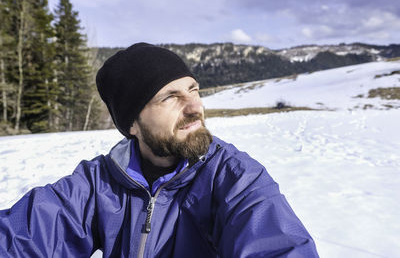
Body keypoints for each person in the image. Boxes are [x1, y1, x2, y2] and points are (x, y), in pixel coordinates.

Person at [0, 43, 319, 257]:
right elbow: (21, 237)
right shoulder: (98, 183)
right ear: (133, 124)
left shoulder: (236, 178)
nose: (195, 107)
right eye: (170, 97)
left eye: (193, 90)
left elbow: (279, 246)